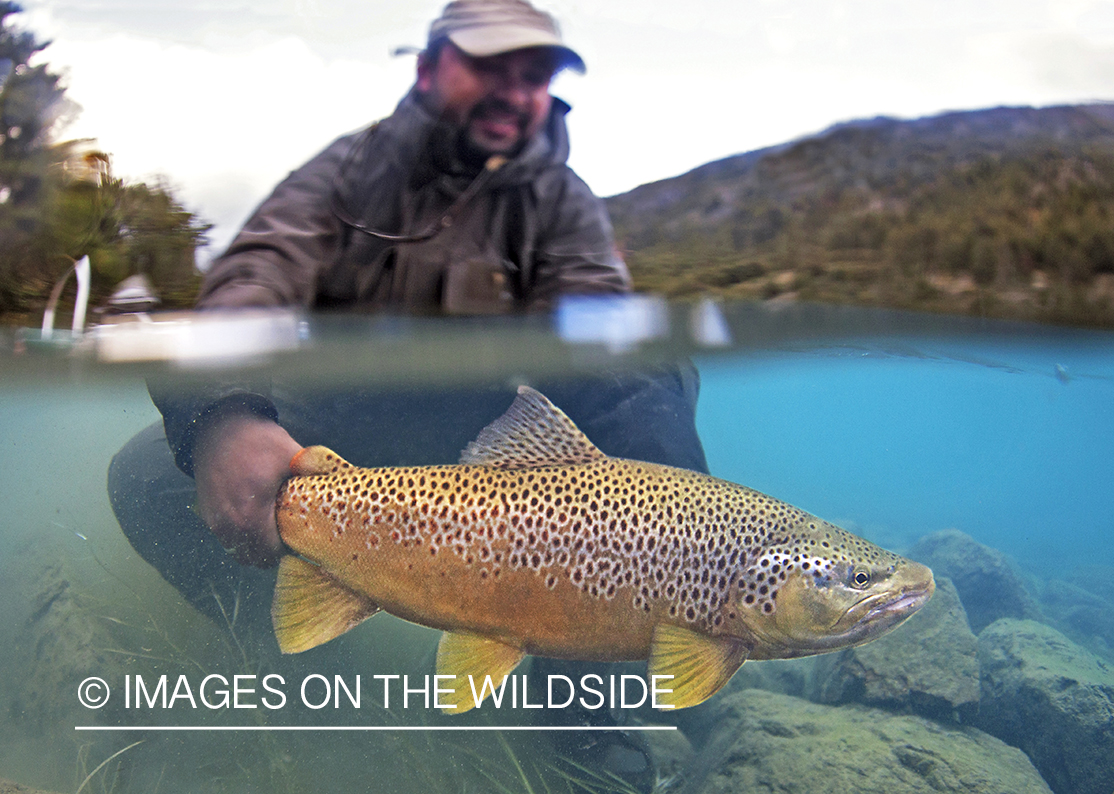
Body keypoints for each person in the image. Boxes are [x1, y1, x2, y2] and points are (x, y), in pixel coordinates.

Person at [109, 1, 707, 790]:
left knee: (647, 501)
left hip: (523, 456)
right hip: (350, 432)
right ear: (427, 72)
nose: (513, 90)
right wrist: (224, 412)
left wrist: (676, 515)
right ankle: (302, 658)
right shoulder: (335, 183)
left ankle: (579, 723)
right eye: (485, 66)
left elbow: (627, 363)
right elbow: (230, 289)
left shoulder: (566, 207)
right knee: (147, 474)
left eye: (533, 75)